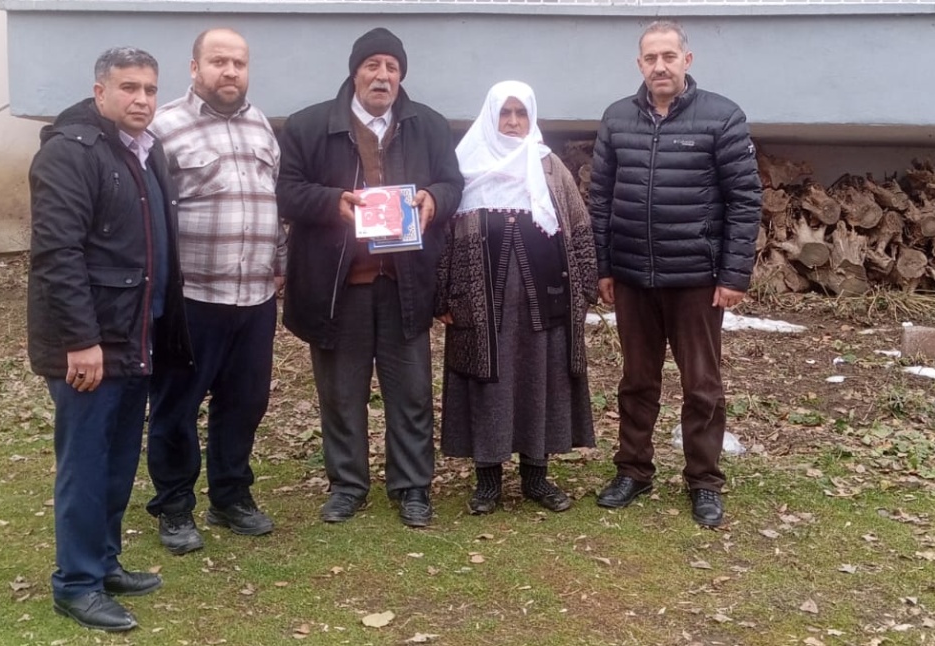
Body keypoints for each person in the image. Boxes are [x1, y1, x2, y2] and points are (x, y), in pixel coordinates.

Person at [27, 47, 192, 631]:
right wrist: (80, 340)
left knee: (120, 461)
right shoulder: (71, 153)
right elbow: (56, 253)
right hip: (91, 346)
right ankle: (75, 583)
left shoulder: (146, 153)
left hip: (136, 335)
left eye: (149, 89)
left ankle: (104, 562)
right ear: (100, 93)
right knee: (87, 463)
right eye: (128, 88)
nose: (141, 99)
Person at [276, 27, 463, 527]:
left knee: (412, 392)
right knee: (341, 393)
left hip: (406, 283)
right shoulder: (309, 125)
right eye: (373, 66)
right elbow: (287, 192)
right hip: (338, 287)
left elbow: (453, 184)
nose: (382, 76)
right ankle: (347, 484)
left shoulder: (429, 125)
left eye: (392, 68)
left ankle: (412, 487)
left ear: (402, 76)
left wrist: (434, 200)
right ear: (355, 71)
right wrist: (329, 202)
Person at [589, 20, 762, 528]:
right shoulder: (617, 119)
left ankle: (704, 481)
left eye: (669, 56)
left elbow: (745, 200)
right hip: (633, 278)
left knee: (702, 385)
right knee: (636, 381)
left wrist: (733, 275)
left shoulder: (721, 117)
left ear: (687, 60)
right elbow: (599, 200)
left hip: (696, 280)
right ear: (639, 65)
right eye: (650, 58)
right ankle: (633, 471)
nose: (659, 66)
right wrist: (604, 266)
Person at [145, 28, 286, 555]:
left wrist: (280, 262)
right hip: (193, 300)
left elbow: (273, 201)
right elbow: (152, 215)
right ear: (194, 67)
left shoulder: (261, 125)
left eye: (239, 63)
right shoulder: (164, 129)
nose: (230, 72)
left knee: (244, 402)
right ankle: (175, 505)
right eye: (219, 61)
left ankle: (230, 497)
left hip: (254, 297)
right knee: (176, 405)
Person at [436, 81, 597, 515]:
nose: (511, 122)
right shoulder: (463, 167)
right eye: (504, 113)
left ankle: (535, 478)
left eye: (520, 113)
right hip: (479, 303)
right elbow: (443, 236)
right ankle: (487, 481)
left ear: (531, 117)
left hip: (542, 302)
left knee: (537, 381)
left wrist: (584, 287)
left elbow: (578, 226)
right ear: (490, 116)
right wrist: (442, 297)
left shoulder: (548, 167)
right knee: (489, 383)